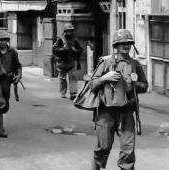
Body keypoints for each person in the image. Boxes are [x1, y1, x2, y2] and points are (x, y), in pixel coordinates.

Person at [89, 29, 148, 170]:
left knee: (128, 150)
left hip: (127, 112)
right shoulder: (105, 62)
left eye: (128, 43)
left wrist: (135, 83)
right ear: (116, 46)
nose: (125, 46)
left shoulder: (135, 64)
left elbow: (145, 86)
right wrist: (104, 78)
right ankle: (96, 166)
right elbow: (92, 84)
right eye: (122, 43)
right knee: (103, 147)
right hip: (106, 112)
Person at [52, 23, 83, 100]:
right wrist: (62, 50)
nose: (69, 32)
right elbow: (54, 49)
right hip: (62, 62)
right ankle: (63, 92)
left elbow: (81, 49)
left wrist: (75, 50)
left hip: (71, 62)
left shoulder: (75, 40)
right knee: (62, 78)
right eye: (68, 31)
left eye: (71, 31)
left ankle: (73, 93)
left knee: (72, 77)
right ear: (65, 31)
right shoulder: (60, 40)